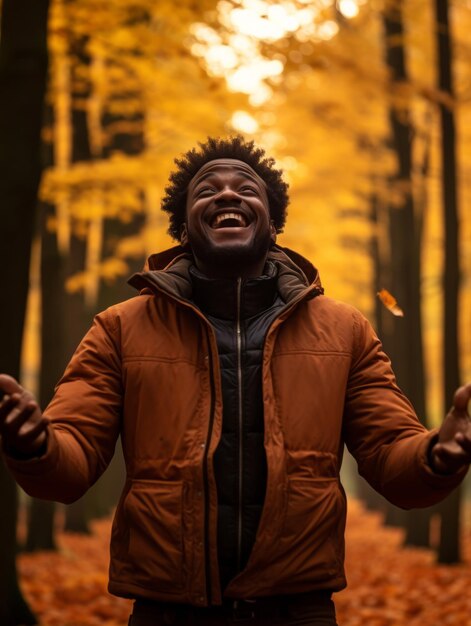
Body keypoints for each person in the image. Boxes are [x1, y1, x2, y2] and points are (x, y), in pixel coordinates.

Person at [1, 136, 470, 626]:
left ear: (272, 221)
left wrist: (436, 457)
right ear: (184, 225)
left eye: (247, 188)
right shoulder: (119, 329)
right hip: (167, 611)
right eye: (207, 189)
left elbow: (391, 452)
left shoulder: (345, 330)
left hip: (298, 608)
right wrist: (36, 446)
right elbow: (70, 462)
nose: (227, 195)